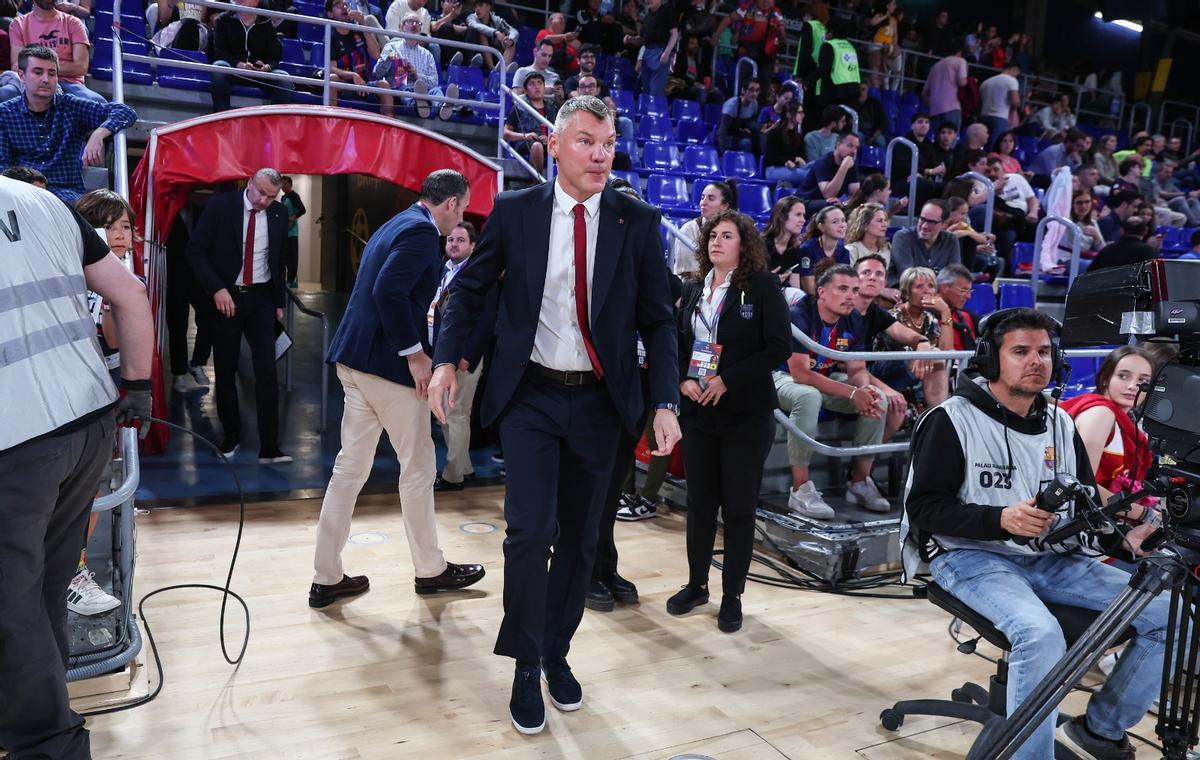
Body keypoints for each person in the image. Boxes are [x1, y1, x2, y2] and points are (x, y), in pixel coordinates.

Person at [426, 96, 681, 736]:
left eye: (609, 142)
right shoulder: (515, 213)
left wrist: (668, 399)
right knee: (528, 533)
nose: (601, 153)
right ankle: (522, 663)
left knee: (580, 541)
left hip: (602, 402)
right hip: (531, 396)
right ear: (555, 144)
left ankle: (557, 651)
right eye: (588, 141)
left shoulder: (636, 219)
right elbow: (471, 289)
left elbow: (659, 318)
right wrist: (448, 359)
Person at [902, 307, 1168, 760]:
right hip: (971, 557)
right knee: (1041, 635)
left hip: (1055, 556)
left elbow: (1085, 500)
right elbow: (924, 508)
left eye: (1044, 351)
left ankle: (1101, 729)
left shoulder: (1061, 422)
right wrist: (998, 519)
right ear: (990, 360)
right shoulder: (951, 420)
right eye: (1021, 351)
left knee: (1165, 610)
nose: (1036, 361)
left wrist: (1120, 540)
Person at [0, 174, 153, 760]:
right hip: (86, 423)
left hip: (15, 443)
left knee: (10, 604)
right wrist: (136, 384)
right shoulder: (43, 202)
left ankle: (47, 742)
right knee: (43, 586)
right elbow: (131, 296)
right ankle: (41, 702)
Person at [310, 171, 484, 608]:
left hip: (354, 360)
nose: (460, 217)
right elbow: (389, 291)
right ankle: (431, 571)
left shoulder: (399, 220)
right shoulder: (422, 234)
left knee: (349, 470)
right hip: (385, 367)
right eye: (461, 208)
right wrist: (415, 354)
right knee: (420, 467)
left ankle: (326, 576)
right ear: (449, 205)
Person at [668, 209, 790, 631]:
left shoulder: (761, 286)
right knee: (700, 505)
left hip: (745, 414)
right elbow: (679, 339)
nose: (715, 242)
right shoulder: (695, 287)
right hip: (699, 411)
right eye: (711, 236)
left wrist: (728, 380)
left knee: (738, 509)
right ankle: (696, 584)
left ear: (744, 244)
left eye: (726, 236)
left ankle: (732, 595)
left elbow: (778, 347)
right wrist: (684, 377)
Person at [187, 168, 291, 462]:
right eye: (261, 193)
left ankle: (269, 446)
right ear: (250, 184)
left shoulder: (279, 213)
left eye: (272, 196)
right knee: (226, 368)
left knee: (267, 372)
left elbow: (280, 259)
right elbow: (195, 251)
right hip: (226, 297)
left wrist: (278, 300)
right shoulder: (222, 206)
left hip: (261, 299)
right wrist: (217, 289)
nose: (264, 201)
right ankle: (230, 437)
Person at [774, 264, 890, 519]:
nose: (851, 296)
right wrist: (850, 394)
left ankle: (859, 481)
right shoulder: (799, 314)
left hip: (821, 376)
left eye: (854, 290)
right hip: (778, 376)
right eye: (843, 289)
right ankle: (800, 489)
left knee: (877, 398)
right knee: (808, 396)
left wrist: (862, 389)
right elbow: (800, 375)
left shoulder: (854, 319)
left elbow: (857, 369)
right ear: (822, 291)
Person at [0, 47, 137, 203]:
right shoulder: (4, 113)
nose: (46, 79)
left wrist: (99, 133)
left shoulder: (71, 106)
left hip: (67, 196)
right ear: (22, 75)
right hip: (23, 194)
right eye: (38, 72)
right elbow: (2, 166)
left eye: (52, 74)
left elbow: (125, 112)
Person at [432, 221, 497, 492]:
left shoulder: (480, 274)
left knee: (456, 414)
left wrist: (468, 356)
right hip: (443, 355)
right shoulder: (442, 270)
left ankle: (452, 475)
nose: (453, 245)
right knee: (445, 415)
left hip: (464, 357)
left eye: (460, 240)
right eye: (450, 240)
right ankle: (465, 468)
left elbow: (486, 320)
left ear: (472, 245)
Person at [1061, 346, 1156, 519]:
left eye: (1143, 381)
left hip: (1099, 517)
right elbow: (1082, 486)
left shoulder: (1125, 420)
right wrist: (1144, 514)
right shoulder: (1101, 414)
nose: (1132, 386)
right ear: (1105, 378)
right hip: (1078, 523)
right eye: (1123, 376)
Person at [0, 0, 104, 103]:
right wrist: (50, 69)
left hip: (68, 83)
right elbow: (17, 65)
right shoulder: (18, 24)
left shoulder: (74, 23)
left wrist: (37, 68)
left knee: (97, 101)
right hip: (30, 83)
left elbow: (81, 67)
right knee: (5, 93)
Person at [208, 0, 293, 112]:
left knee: (284, 79)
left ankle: (273, 124)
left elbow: (274, 56)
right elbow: (220, 52)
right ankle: (221, 118)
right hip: (234, 70)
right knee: (219, 67)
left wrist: (266, 67)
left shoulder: (267, 23)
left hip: (259, 74)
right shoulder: (223, 19)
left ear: (256, 2)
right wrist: (238, 64)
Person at [375, 12, 456, 120]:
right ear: (402, 27)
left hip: (424, 91)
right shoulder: (391, 47)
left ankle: (442, 107)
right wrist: (388, 60)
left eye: (417, 23)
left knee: (436, 90)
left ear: (420, 29)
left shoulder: (427, 55)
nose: (414, 24)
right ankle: (417, 105)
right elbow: (376, 73)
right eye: (410, 21)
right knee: (404, 89)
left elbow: (434, 82)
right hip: (401, 89)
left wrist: (417, 75)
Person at [888, 199, 961, 285]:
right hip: (907, 294)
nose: (924, 226)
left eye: (931, 222)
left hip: (938, 295)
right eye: (922, 219)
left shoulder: (951, 240)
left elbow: (954, 275)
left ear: (944, 224)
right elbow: (909, 277)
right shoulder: (903, 237)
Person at [671, 180, 734, 276]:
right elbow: (688, 273)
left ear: (724, 206)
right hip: (693, 286)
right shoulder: (688, 229)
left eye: (711, 198)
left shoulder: (733, 231)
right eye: (702, 197)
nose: (703, 203)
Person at [503, 71, 558, 175]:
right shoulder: (518, 107)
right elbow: (506, 133)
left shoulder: (552, 108)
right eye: (532, 84)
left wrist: (549, 138)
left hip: (548, 144)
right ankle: (539, 186)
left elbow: (560, 132)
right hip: (524, 144)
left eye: (539, 83)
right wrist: (525, 136)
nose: (537, 86)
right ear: (526, 90)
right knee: (537, 146)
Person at [795, 131, 860, 210]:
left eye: (856, 147)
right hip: (805, 202)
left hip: (828, 203)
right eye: (850, 146)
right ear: (838, 144)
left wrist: (844, 204)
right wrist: (844, 167)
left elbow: (855, 195)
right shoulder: (823, 162)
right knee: (832, 206)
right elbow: (828, 194)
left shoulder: (851, 164)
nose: (854, 151)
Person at [624, 0, 676, 97]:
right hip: (647, 53)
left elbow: (674, 33)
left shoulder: (667, 11)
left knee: (655, 91)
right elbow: (642, 40)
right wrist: (632, 40)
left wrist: (667, 51)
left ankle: (653, 110)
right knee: (646, 91)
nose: (648, 1)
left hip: (660, 52)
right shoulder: (648, 17)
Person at [794, 203, 849, 294]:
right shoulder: (808, 249)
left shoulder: (844, 252)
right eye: (835, 222)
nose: (842, 225)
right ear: (821, 227)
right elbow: (810, 289)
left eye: (843, 221)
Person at [1089, 214, 1159, 272]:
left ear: (1121, 231)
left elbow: (1090, 273)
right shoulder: (1148, 251)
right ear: (1145, 231)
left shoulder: (1106, 250)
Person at [922, 46, 966, 134]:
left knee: (937, 141)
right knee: (950, 140)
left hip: (935, 109)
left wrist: (931, 104)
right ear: (959, 53)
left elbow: (924, 93)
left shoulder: (935, 66)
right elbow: (962, 82)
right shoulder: (960, 61)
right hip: (952, 106)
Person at [762, 195, 805, 284]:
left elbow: (795, 287)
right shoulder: (761, 244)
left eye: (803, 215)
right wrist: (771, 280)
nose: (803, 220)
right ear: (782, 217)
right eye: (798, 215)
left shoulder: (795, 249)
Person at [936, 263, 980, 351]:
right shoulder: (926, 316)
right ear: (945, 288)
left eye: (969, 291)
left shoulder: (967, 317)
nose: (968, 296)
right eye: (963, 290)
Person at [978, 66, 1021, 148]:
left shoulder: (986, 82)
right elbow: (1015, 101)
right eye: (1017, 75)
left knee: (982, 146)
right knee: (996, 147)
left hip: (983, 116)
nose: (1016, 77)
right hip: (1000, 117)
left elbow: (980, 102)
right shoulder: (1011, 80)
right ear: (1014, 69)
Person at [467, 0, 518, 69]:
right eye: (475, 6)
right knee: (482, 34)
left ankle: (503, 69)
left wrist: (510, 40)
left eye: (480, 5)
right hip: (476, 55)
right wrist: (496, 33)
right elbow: (475, 25)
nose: (477, 9)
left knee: (511, 43)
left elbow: (513, 31)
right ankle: (492, 69)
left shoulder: (497, 20)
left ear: (489, 7)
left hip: (493, 53)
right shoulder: (471, 17)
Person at [717, 79, 760, 153]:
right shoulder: (732, 106)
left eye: (757, 90)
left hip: (739, 136)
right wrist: (724, 154)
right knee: (746, 143)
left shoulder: (754, 104)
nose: (754, 94)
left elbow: (751, 124)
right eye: (751, 90)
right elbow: (721, 132)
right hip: (727, 138)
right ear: (743, 90)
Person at [845, 201, 892, 268]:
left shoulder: (887, 250)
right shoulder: (852, 250)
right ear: (865, 225)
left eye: (885, 220)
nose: (885, 225)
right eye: (879, 221)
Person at [280, 176, 305, 286]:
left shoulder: (294, 196)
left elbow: (302, 210)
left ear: (290, 184)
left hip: (292, 232)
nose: (283, 185)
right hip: (284, 233)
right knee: (284, 256)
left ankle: (292, 280)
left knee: (292, 257)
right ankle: (286, 280)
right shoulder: (283, 198)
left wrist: (291, 219)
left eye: (285, 183)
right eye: (282, 183)